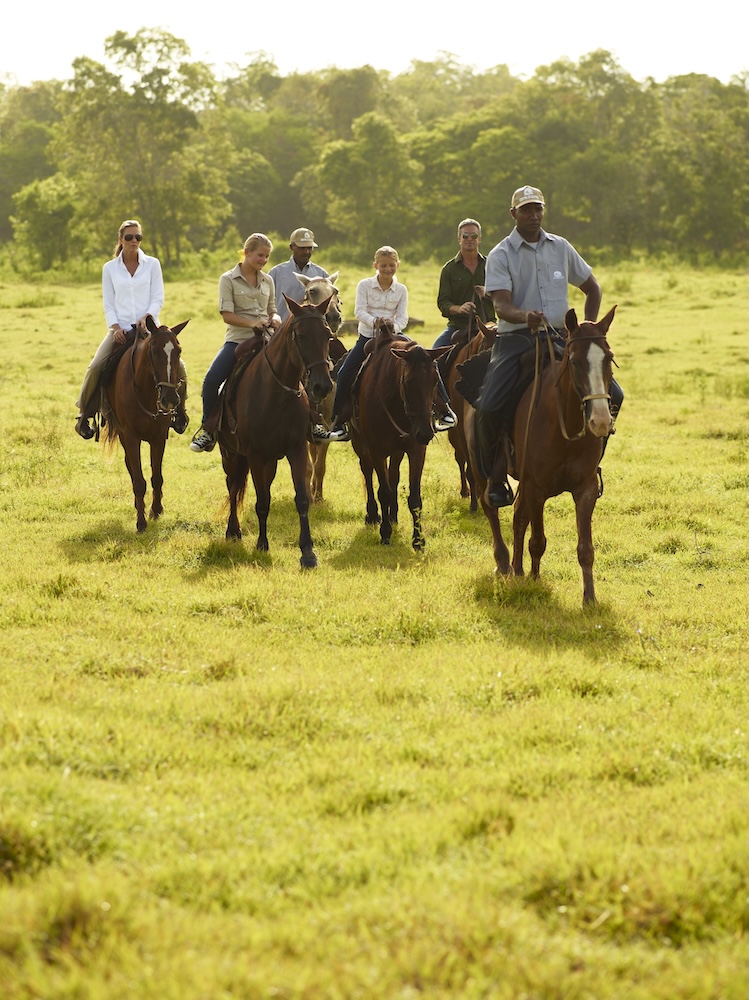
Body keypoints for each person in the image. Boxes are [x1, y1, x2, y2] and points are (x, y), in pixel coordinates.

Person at [478, 184, 623, 507]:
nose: (533, 215)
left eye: (538, 208)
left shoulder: (561, 247)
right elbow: (500, 306)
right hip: (516, 339)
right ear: (513, 214)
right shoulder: (501, 254)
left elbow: (592, 288)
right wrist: (525, 316)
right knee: (488, 405)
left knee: (615, 394)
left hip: (560, 338)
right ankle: (496, 478)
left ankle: (591, 465)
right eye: (526, 210)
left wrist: (586, 328)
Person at [313, 246, 456, 443]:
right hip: (368, 337)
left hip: (395, 336)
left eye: (391, 265)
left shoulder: (401, 289)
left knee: (425, 361)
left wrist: (392, 327)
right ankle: (338, 420)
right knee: (345, 371)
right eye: (383, 266)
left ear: (397, 265)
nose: (387, 269)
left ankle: (444, 409)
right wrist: (375, 322)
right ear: (376, 266)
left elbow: (403, 317)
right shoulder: (364, 285)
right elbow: (359, 311)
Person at [75, 219, 188, 439]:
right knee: (96, 366)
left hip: (150, 330)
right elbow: (108, 303)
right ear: (121, 239)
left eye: (138, 237)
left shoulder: (152, 264)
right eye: (129, 237)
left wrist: (147, 318)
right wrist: (116, 327)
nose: (134, 240)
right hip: (120, 331)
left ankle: (179, 412)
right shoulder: (109, 268)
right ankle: (84, 415)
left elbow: (158, 298)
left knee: (179, 366)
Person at [190, 234, 281, 453]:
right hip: (238, 340)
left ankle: (311, 422)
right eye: (260, 255)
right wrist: (252, 323)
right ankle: (208, 430)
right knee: (211, 381)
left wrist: (275, 318)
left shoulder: (268, 280)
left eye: (267, 256)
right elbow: (227, 315)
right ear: (246, 252)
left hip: (267, 340)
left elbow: (272, 309)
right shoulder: (228, 279)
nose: (263, 260)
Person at [432, 219, 496, 349]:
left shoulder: (492, 265)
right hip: (458, 326)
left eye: (474, 235)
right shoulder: (449, 269)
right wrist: (459, 308)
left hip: (489, 326)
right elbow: (443, 303)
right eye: (465, 236)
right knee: (435, 350)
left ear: (479, 238)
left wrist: (488, 292)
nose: (469, 239)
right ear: (459, 238)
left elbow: (506, 295)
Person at [268, 227, 329, 324]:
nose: (306, 252)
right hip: (282, 329)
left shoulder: (322, 274)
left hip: (313, 330)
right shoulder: (276, 273)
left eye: (309, 248)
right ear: (292, 247)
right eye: (302, 248)